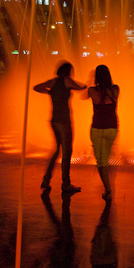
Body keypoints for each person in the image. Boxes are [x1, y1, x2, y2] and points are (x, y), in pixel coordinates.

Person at [34, 61, 86, 193]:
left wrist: (48, 92)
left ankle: (46, 180)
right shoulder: (67, 81)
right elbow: (80, 87)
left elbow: (36, 87)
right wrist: (87, 84)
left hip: (54, 120)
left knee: (57, 150)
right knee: (67, 151)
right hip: (64, 121)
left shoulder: (53, 82)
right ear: (68, 71)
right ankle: (66, 183)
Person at [88, 65, 120, 200]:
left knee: (101, 161)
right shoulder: (116, 89)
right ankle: (108, 184)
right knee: (106, 158)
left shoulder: (92, 90)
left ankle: (108, 189)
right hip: (112, 128)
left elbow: (85, 96)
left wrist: (90, 80)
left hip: (97, 128)